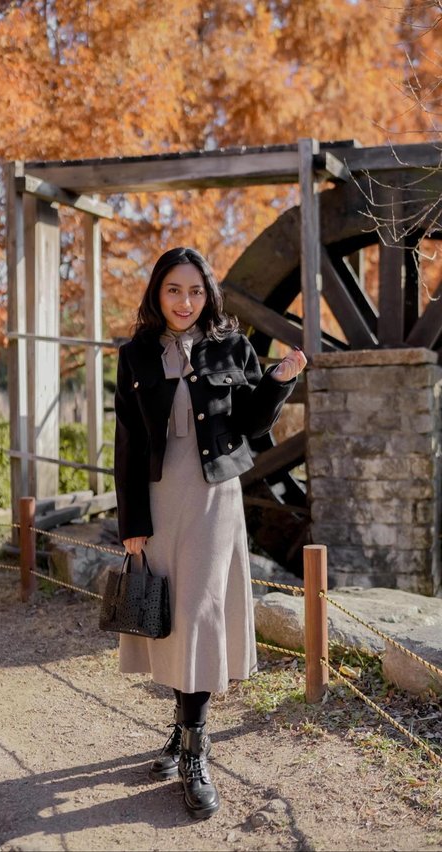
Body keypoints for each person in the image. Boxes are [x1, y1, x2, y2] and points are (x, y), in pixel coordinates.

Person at [114, 246, 307, 820]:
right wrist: (132, 525)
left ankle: (195, 751)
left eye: (195, 291)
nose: (185, 301)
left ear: (209, 294)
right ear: (157, 293)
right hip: (156, 499)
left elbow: (250, 422)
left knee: (199, 614)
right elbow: (127, 441)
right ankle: (180, 733)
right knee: (172, 621)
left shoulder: (231, 345)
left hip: (213, 501)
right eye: (174, 290)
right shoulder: (135, 355)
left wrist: (276, 380)